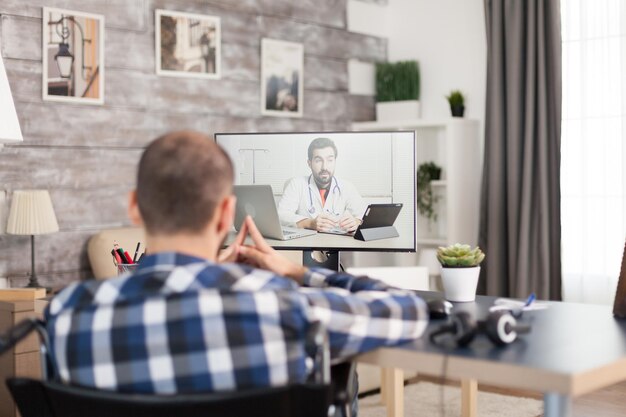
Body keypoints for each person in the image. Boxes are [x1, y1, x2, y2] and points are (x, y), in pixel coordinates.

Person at [44, 131, 428, 414]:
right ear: (228, 213)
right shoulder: (284, 308)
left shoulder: (64, 315)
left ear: (134, 207)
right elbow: (408, 311)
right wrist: (298, 273)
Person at [278, 137, 367, 233]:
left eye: (330, 160)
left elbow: (364, 215)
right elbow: (281, 215)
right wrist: (310, 223)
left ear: (335, 161)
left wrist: (356, 222)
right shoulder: (296, 184)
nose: (324, 167)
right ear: (309, 163)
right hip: (307, 244)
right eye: (318, 160)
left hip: (337, 244)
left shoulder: (347, 186)